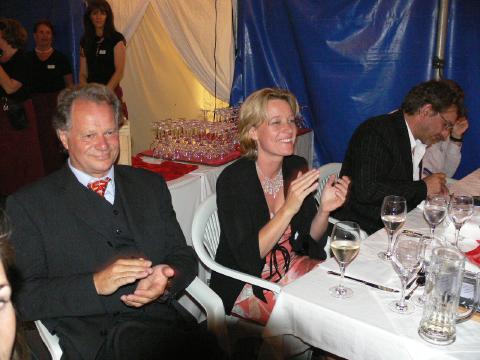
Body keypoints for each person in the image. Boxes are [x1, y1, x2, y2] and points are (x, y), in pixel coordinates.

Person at [6, 84, 223, 359]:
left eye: (110, 132)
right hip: (94, 338)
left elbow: (182, 254)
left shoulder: (148, 185)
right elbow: (25, 299)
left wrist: (166, 281)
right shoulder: (30, 205)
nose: (103, 145)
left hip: (165, 328)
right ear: (64, 138)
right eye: (89, 135)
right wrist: (94, 284)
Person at [210, 88, 350, 325]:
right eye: (276, 122)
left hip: (292, 268)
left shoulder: (295, 166)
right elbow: (248, 258)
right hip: (248, 282)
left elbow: (308, 241)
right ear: (253, 132)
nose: (289, 130)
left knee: (344, 297)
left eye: (291, 121)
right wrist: (288, 209)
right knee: (317, 319)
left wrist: (325, 209)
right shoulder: (234, 180)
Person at [335, 79, 465, 234]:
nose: (445, 135)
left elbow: (400, 187)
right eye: (446, 125)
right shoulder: (376, 132)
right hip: (363, 230)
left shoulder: (413, 137)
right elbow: (367, 190)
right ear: (426, 111)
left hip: (394, 224)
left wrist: (429, 191)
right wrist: (423, 187)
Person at [0, 18, 44, 196]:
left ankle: (26, 196)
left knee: (23, 158)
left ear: (7, 35)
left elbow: (10, 87)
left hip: (19, 114)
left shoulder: (22, 59)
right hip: (3, 114)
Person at [27, 19, 73, 174]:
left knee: (55, 142)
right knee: (36, 141)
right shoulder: (27, 59)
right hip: (34, 106)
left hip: (56, 106)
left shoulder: (61, 58)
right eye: (41, 32)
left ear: (52, 36)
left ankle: (59, 174)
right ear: (34, 36)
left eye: (48, 33)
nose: (44, 36)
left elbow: (69, 86)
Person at [80, 0, 128, 119]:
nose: (98, 17)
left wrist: (104, 93)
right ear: (89, 16)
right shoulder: (85, 41)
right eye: (95, 13)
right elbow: (82, 73)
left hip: (110, 93)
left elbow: (119, 71)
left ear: (108, 16)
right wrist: (89, 91)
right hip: (91, 95)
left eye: (102, 13)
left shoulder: (116, 39)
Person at [422, 79, 469, 178]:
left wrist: (456, 137)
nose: (445, 134)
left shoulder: (443, 126)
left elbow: (446, 174)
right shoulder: (399, 129)